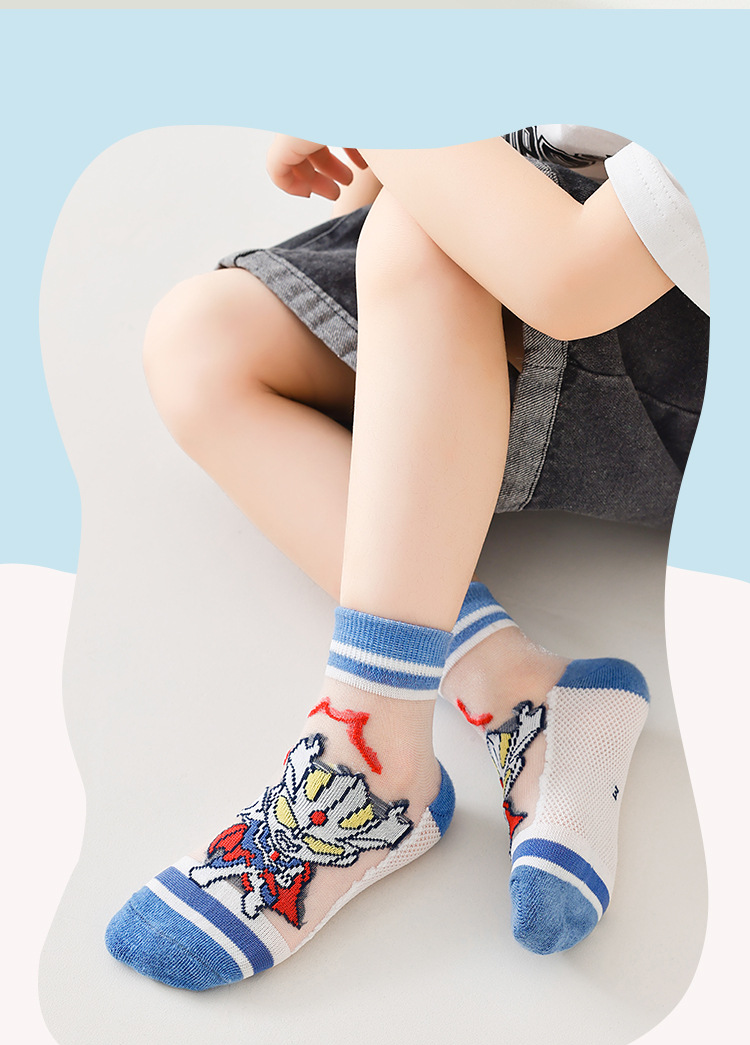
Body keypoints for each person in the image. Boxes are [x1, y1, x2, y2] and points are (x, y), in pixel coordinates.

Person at [105, 127, 709, 990]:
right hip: (541, 265)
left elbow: (569, 279)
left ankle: (369, 758)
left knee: (419, 238)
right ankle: (511, 682)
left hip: (669, 351)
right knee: (198, 341)